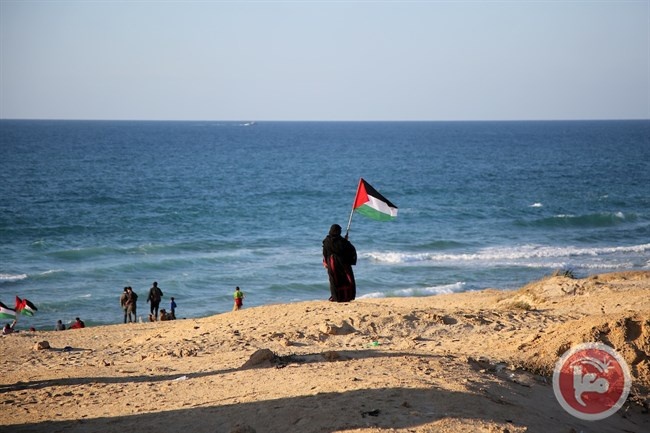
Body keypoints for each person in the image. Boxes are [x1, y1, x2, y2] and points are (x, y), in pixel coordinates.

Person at [322, 223, 357, 302]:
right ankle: (346, 296)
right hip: (342, 263)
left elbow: (325, 252)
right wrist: (346, 241)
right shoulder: (342, 241)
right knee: (346, 279)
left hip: (332, 263)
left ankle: (336, 297)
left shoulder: (326, 241)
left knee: (334, 280)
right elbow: (350, 249)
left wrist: (325, 262)